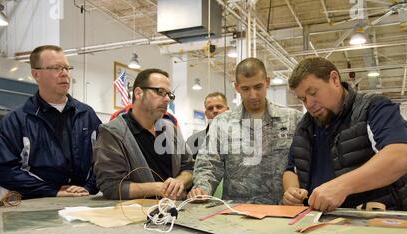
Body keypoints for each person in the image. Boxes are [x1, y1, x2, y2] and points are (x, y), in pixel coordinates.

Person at [283, 57, 407, 212]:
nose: (309, 104)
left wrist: (342, 186)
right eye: (303, 99)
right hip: (319, 223)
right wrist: (292, 192)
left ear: (334, 79)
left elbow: (401, 157)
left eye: (313, 93)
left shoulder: (373, 108)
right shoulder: (305, 126)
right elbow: (291, 169)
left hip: (376, 221)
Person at [0, 45, 101, 199]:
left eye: (67, 68)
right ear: (36, 74)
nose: (64, 74)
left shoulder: (87, 115)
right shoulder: (17, 120)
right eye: (56, 68)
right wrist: (51, 192)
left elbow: (106, 160)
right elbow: (1, 169)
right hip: (33, 211)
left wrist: (88, 187)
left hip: (82, 204)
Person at [188, 58, 302, 204]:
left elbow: (304, 164)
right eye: (246, 89)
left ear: (267, 82)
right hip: (236, 212)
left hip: (282, 209)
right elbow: (208, 164)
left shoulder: (293, 119)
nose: (253, 95)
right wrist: (202, 189)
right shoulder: (222, 123)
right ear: (236, 87)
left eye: (258, 87)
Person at [93, 68, 193, 200]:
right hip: (136, 216)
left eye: (170, 95)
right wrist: (158, 188)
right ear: (138, 93)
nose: (167, 99)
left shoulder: (171, 130)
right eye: (160, 92)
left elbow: (189, 168)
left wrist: (179, 181)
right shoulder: (113, 133)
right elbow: (112, 187)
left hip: (175, 212)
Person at [186, 92, 229, 159]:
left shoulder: (241, 137)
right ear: (206, 114)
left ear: (228, 110)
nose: (215, 111)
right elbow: (188, 167)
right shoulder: (194, 141)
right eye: (210, 108)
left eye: (219, 107)